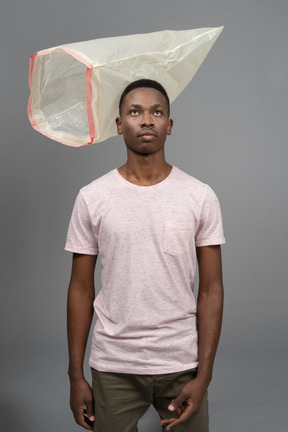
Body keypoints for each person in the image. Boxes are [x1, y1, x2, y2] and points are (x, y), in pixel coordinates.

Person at [65, 79, 225, 432]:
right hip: (114, 363)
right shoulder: (93, 197)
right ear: (120, 125)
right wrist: (75, 375)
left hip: (181, 361)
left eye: (157, 111)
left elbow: (211, 290)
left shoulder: (199, 196)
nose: (147, 120)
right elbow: (80, 290)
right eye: (134, 111)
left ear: (169, 125)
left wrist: (205, 375)